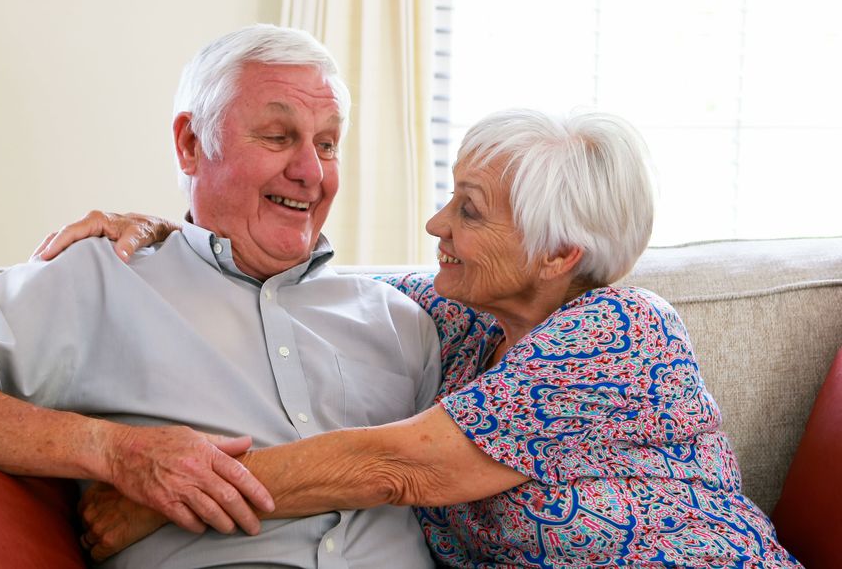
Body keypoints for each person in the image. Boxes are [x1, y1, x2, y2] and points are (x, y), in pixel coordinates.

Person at [45, 110, 801, 567]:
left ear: (557, 255)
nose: (437, 225)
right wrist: (165, 235)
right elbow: (299, 289)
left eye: (469, 211)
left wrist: (163, 499)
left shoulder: (622, 334)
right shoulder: (463, 319)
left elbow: (393, 468)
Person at [0, 24, 442, 568]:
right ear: (191, 144)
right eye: (277, 136)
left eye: (328, 144)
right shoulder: (100, 275)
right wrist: (114, 451)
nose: (311, 172)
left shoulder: (404, 320)